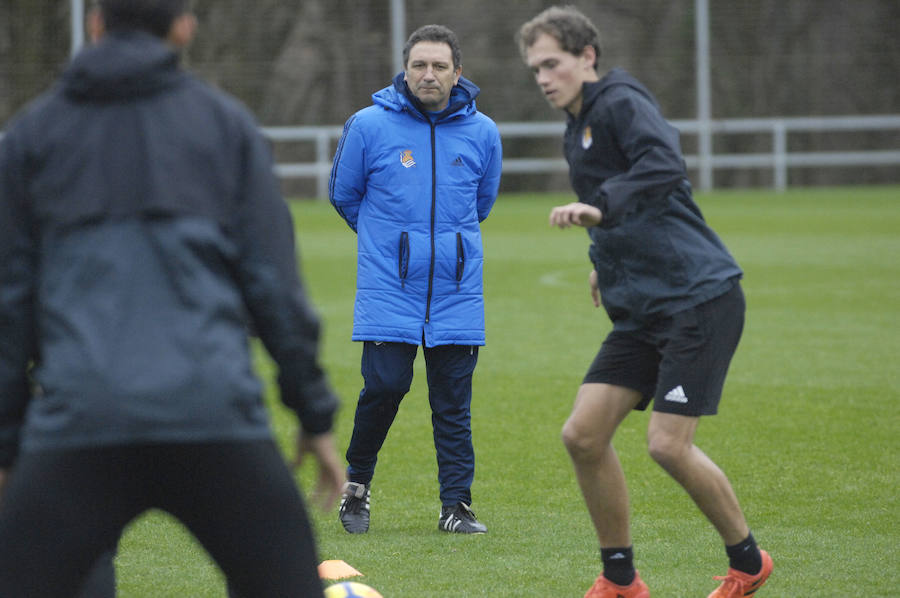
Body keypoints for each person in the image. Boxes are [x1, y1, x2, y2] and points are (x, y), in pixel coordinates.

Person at [0, 1, 344, 596]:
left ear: (95, 23)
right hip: (213, 416)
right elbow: (273, 287)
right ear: (185, 26)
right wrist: (313, 413)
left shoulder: (32, 135)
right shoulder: (225, 126)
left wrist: (8, 445)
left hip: (81, 422)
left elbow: (11, 305)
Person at [516, 6, 773, 598]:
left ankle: (749, 562)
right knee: (583, 435)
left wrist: (600, 209)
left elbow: (662, 164)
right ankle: (620, 580)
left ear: (587, 57)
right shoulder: (576, 126)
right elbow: (614, 210)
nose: (544, 79)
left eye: (552, 64)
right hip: (642, 308)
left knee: (666, 444)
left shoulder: (620, 102)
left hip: (697, 299)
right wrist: (602, 263)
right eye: (535, 70)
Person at [329, 24, 502, 535]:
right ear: (404, 70)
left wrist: (447, 249)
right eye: (419, 65)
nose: (429, 74)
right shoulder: (367, 125)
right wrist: (389, 244)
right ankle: (356, 489)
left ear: (457, 73)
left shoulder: (483, 133)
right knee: (384, 388)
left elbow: (482, 203)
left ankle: (456, 507)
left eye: (439, 66)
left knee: (453, 404)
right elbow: (343, 194)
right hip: (390, 287)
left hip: (456, 290)